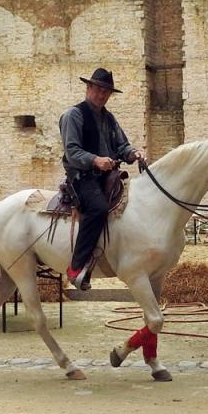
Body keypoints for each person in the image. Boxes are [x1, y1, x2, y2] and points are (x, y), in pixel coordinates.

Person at [59, 68, 145, 290]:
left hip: (108, 175)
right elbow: (72, 152)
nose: (102, 95)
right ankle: (76, 267)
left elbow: (122, 145)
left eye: (106, 91)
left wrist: (133, 153)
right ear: (88, 88)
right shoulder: (74, 115)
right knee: (97, 208)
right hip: (83, 176)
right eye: (98, 89)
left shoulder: (109, 117)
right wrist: (95, 160)